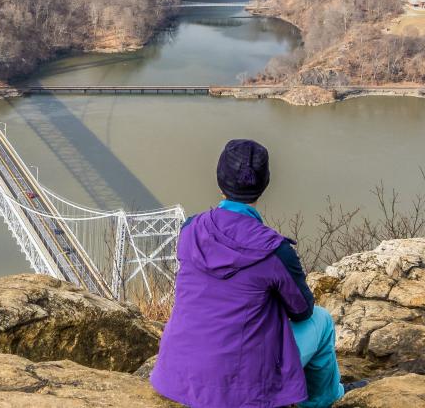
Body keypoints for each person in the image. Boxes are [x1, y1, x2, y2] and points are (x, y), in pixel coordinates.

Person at [150, 139, 362, 407]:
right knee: (321, 321)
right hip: (241, 392)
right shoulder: (275, 251)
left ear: (219, 180)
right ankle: (325, 400)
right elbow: (302, 311)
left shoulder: (190, 229)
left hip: (175, 378)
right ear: (264, 185)